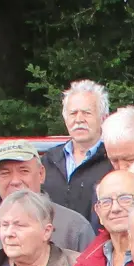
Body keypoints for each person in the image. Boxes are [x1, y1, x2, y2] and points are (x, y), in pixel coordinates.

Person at [0, 141, 96, 255]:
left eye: (24, 171)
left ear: (41, 174)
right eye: (5, 173)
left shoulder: (74, 227)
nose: (15, 181)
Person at [42, 79, 111, 217]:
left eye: (87, 113)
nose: (79, 119)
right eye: (73, 113)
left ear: (103, 118)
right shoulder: (48, 160)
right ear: (65, 118)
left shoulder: (112, 159)